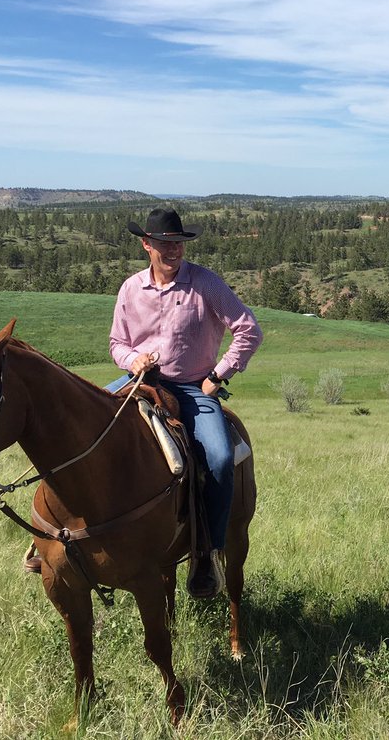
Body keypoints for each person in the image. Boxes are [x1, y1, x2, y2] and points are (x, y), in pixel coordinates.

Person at [109, 206, 263, 598]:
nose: (173, 251)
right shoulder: (130, 289)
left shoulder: (205, 284)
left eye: (178, 243)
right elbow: (118, 343)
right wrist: (132, 360)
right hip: (140, 382)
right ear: (147, 244)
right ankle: (56, 539)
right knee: (80, 427)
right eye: (164, 243)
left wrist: (217, 376)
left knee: (220, 458)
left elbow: (248, 330)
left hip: (193, 389)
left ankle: (208, 552)